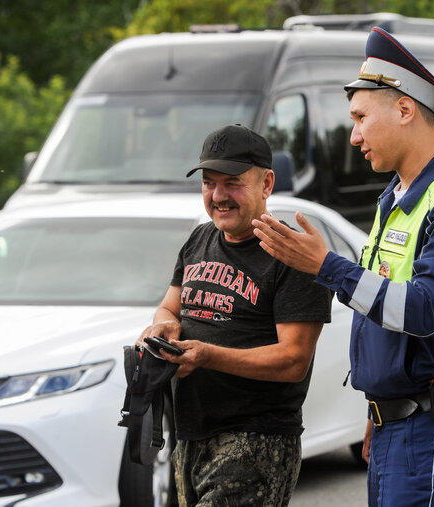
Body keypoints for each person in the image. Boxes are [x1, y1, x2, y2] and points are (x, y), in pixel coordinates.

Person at [252, 27, 434, 506]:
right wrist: (379, 407)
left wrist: (327, 266)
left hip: (432, 424)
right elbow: (383, 308)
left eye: (361, 117)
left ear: (404, 109)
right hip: (397, 421)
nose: (353, 134)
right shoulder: (399, 195)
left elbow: (423, 311)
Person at [139, 124, 333, 506]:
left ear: (266, 183)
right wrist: (165, 326)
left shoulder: (292, 254)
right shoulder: (200, 239)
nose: (218, 196)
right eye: (209, 183)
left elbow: (293, 360)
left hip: (255, 441)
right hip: (189, 436)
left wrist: (207, 355)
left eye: (232, 183)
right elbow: (168, 306)